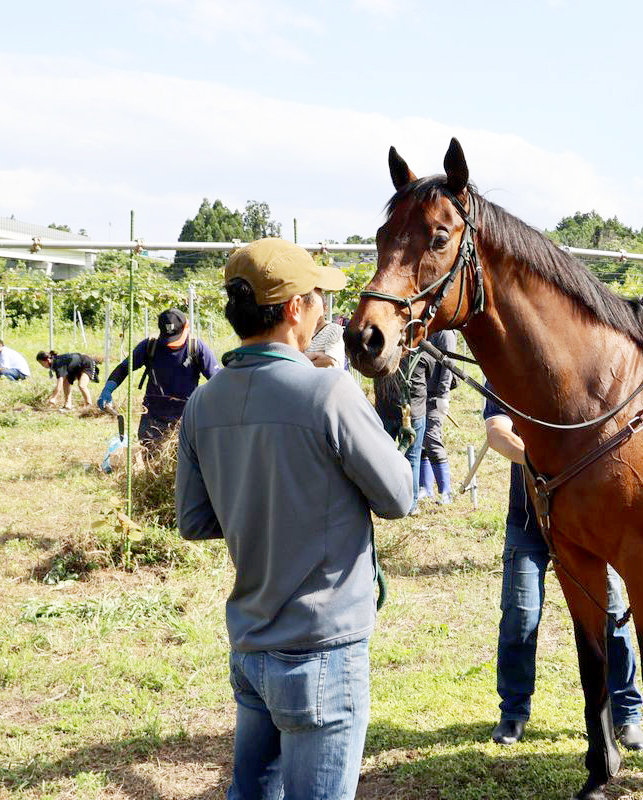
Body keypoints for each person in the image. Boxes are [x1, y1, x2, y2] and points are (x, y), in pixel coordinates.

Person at [175, 237, 412, 800]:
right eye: (318, 297)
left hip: (252, 645)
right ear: (292, 310)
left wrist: (258, 503)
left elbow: (194, 520)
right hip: (322, 650)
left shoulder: (202, 404)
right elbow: (399, 495)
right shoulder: (328, 391)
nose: (326, 310)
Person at [483, 386, 643, 751]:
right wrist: (536, 456)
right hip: (527, 523)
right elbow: (496, 431)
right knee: (519, 618)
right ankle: (513, 711)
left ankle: (627, 714)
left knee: (612, 616)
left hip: (584, 525)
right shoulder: (507, 368)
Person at [96, 309, 220, 448]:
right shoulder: (150, 346)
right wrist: (108, 389)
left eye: (176, 338)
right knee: (151, 457)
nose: (171, 344)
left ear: (187, 327)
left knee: (183, 461)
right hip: (153, 416)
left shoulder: (196, 348)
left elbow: (217, 380)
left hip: (185, 417)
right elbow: (124, 368)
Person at [373, 350, 429, 510]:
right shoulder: (422, 353)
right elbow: (430, 374)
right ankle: (411, 504)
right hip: (413, 412)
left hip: (386, 410)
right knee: (412, 459)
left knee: (383, 458)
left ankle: (383, 499)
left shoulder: (382, 352)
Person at [419, 329, 457, 504]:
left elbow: (448, 366)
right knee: (420, 441)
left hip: (435, 395)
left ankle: (446, 491)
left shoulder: (446, 334)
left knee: (432, 438)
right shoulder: (424, 329)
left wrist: (443, 394)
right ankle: (425, 488)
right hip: (419, 393)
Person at [304, 292, 346, 368]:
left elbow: (330, 361)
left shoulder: (334, 329)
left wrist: (303, 359)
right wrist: (318, 355)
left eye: (315, 309)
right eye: (308, 309)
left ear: (325, 309)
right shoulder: (303, 332)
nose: (312, 313)